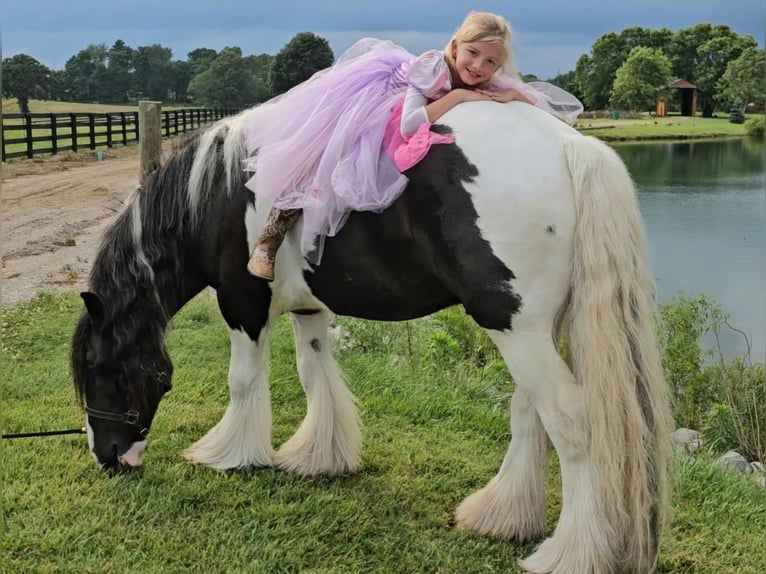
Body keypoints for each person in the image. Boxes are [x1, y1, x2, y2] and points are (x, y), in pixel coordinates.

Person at [244, 11, 582, 281]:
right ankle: (269, 239)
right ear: (454, 48)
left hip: (421, 104)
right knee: (328, 147)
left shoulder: (487, 76)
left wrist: (513, 95)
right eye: (473, 54)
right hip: (377, 102)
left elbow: (537, 106)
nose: (478, 67)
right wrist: (458, 96)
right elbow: (409, 123)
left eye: (490, 62)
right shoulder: (433, 70)